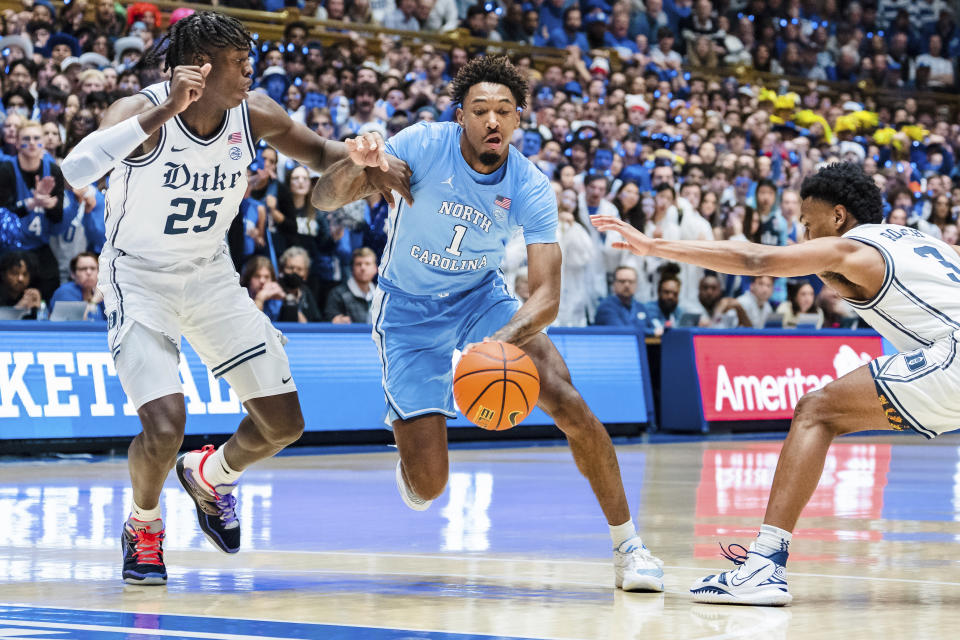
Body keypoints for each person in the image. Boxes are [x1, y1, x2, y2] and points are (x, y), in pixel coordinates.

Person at [59, 11, 409, 586]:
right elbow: (76, 168)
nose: (251, 73)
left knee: (283, 424)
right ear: (200, 69)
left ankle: (212, 475)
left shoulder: (255, 112)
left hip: (212, 276)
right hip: (139, 280)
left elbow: (323, 157)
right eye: (240, 65)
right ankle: (144, 523)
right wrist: (166, 109)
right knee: (166, 425)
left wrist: (364, 157)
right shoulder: (137, 113)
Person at [313, 56, 664, 592]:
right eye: (480, 110)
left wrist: (493, 347)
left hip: (481, 299)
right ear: (461, 117)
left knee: (570, 402)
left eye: (504, 110)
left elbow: (546, 296)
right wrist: (356, 163)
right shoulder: (424, 143)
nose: (492, 121)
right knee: (430, 488)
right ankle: (410, 450)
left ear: (519, 120)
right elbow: (324, 198)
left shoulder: (529, 183)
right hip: (406, 310)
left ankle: (629, 547)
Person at [592, 161, 960, 606]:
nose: (804, 236)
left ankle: (764, 565)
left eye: (807, 224)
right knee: (821, 409)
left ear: (839, 217)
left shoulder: (852, 249)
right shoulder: (920, 240)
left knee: (816, 411)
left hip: (953, 354)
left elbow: (755, 258)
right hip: (946, 349)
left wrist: (654, 245)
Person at [0, 120, 64, 301]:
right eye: (26, 139)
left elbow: (58, 218)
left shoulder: (53, 171)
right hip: (9, 247)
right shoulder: (5, 170)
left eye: (37, 138)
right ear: (18, 143)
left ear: (43, 142)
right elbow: (3, 214)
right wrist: (30, 204)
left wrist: (49, 205)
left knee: (51, 281)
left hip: (39, 245)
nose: (33, 143)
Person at [324, 246, 377, 323]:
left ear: (376, 269)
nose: (363, 268)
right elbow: (327, 322)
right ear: (352, 268)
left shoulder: (382, 295)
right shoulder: (337, 294)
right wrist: (334, 321)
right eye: (358, 264)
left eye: (367, 264)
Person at [49, 251, 106, 320]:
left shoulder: (100, 293)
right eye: (83, 269)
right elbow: (77, 322)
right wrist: (94, 300)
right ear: (73, 274)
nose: (89, 272)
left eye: (93, 268)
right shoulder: (65, 291)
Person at [594, 265, 649, 332]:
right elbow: (622, 332)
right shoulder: (606, 307)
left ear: (636, 284)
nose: (627, 285)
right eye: (622, 281)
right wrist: (649, 331)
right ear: (614, 284)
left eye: (631, 281)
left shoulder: (640, 307)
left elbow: (654, 329)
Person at [643, 271, 683, 337]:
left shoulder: (680, 312)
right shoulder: (647, 309)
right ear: (659, 292)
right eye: (666, 292)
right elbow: (640, 329)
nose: (670, 297)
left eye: (675, 294)